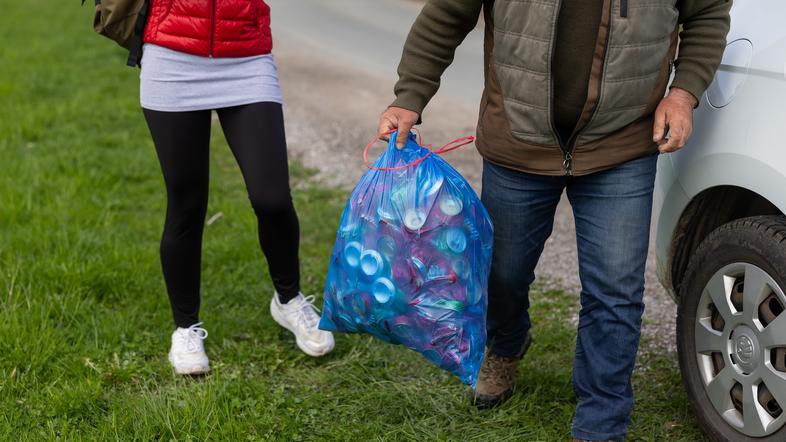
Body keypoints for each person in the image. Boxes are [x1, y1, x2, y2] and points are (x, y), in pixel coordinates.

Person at [378, 0, 730, 440]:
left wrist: (683, 93)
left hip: (621, 144)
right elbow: (447, 13)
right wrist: (410, 97)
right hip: (518, 141)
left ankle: (601, 418)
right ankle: (506, 345)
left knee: (615, 291)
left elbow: (708, 13)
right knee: (501, 274)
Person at [139, 0, 334, 375]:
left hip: (247, 55)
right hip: (172, 54)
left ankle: (289, 299)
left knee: (272, 198)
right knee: (187, 202)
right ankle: (185, 328)